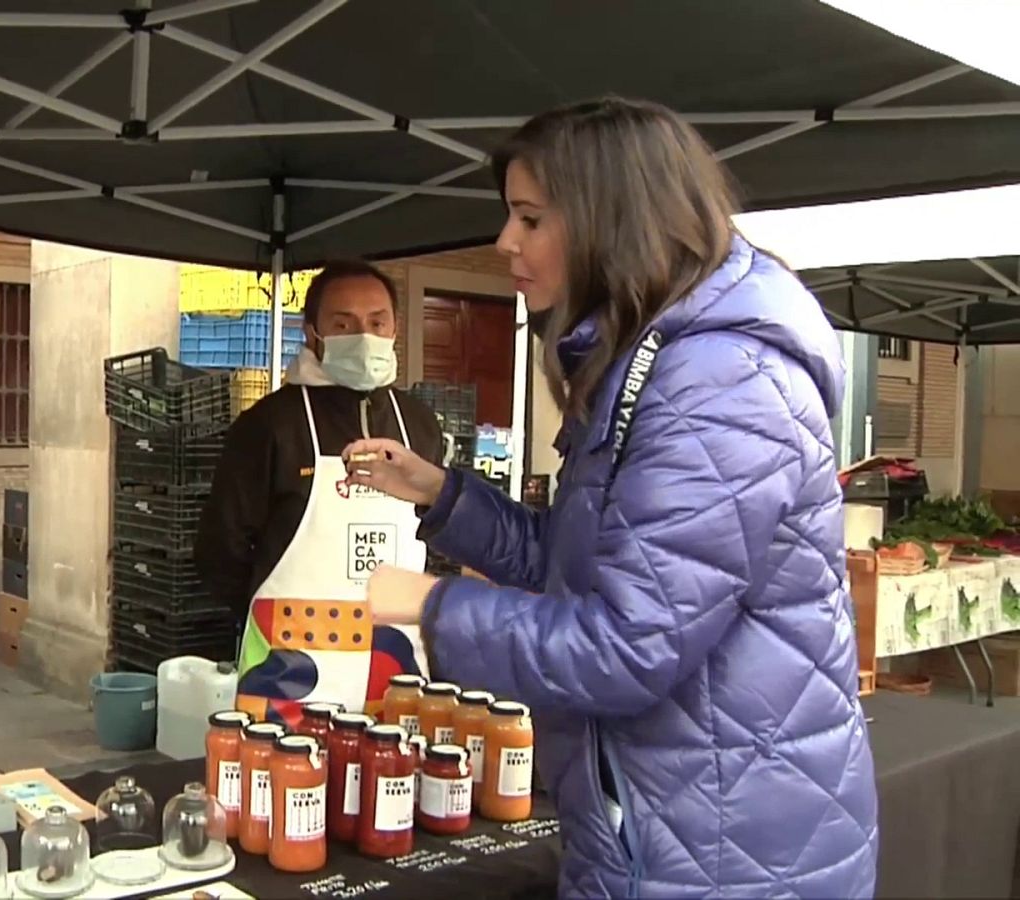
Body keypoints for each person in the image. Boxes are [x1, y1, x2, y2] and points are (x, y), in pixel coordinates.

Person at [346, 98, 878, 897]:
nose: (505, 243)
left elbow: (629, 645)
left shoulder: (720, 381)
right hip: (664, 825)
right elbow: (586, 562)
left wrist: (435, 606)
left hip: (725, 854)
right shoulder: (649, 360)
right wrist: (446, 496)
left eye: (530, 218)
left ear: (610, 220)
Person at [195, 260, 446, 727]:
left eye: (377, 322)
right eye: (342, 323)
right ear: (312, 332)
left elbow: (436, 529)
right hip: (287, 675)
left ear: (395, 328)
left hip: (396, 673)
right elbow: (219, 549)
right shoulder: (270, 425)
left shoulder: (420, 424)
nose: (364, 335)